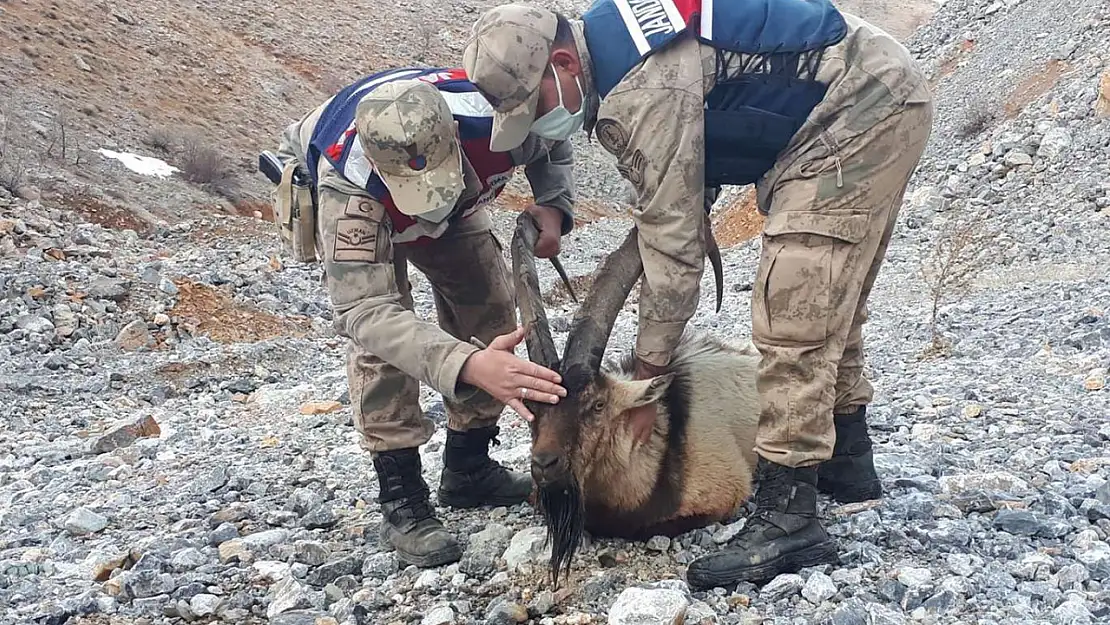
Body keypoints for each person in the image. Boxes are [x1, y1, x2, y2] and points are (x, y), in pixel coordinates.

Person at [461, 0, 934, 587]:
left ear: (561, 63)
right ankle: (848, 464)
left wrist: (649, 371)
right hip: (875, 93)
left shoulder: (643, 89)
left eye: (534, 107)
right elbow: (685, 177)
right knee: (832, 289)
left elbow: (674, 246)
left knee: (797, 301)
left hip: (859, 109)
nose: (537, 124)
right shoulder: (616, 56)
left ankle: (791, 520)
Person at [266, 66, 576, 568]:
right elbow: (365, 311)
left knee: (491, 312)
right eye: (418, 194)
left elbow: (554, 138)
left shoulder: (499, 115)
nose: (426, 216)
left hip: (462, 200)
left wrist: (554, 206)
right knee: (382, 349)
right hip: (371, 207)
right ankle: (402, 497)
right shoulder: (351, 188)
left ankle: (468, 469)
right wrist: (465, 365)